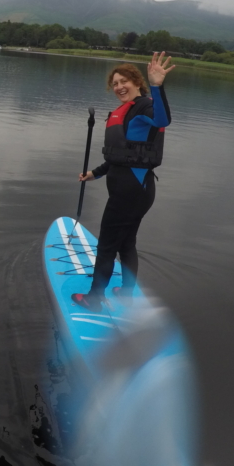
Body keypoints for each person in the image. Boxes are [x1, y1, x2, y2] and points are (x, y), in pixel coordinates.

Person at [71, 52, 175, 313]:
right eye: (114, 83)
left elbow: (163, 120)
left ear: (137, 82)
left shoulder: (143, 106)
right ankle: (126, 293)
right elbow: (120, 159)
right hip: (137, 190)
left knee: (107, 245)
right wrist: (92, 174)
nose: (118, 87)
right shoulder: (124, 113)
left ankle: (94, 299)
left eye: (123, 81)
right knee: (127, 243)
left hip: (129, 193)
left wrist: (157, 85)